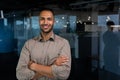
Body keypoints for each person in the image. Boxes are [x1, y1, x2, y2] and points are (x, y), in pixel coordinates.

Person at [16, 8, 71, 80]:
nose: (45, 22)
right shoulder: (28, 44)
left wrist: (33, 66)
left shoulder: (63, 43)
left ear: (54, 22)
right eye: (42, 19)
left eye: (49, 19)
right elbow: (20, 75)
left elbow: (64, 74)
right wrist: (54, 65)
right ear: (39, 21)